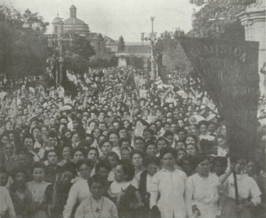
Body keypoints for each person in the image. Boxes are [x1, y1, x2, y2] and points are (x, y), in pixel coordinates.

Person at [150, 147, 187, 218]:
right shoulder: (157, 175)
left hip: (180, 209)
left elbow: (186, 194)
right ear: (161, 160)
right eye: (165, 159)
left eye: (170, 159)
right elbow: (153, 194)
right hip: (164, 209)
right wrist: (153, 207)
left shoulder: (182, 174)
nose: (168, 161)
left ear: (175, 159)